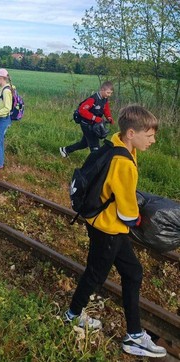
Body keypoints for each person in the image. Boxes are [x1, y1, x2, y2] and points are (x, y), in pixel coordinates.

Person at [64, 104, 167, 359]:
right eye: (149, 135)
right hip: (108, 228)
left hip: (102, 223)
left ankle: (133, 335)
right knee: (96, 274)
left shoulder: (115, 144)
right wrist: (142, 220)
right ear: (131, 133)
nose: (153, 140)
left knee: (132, 271)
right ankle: (72, 316)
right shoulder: (125, 163)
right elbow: (127, 212)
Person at [60, 81, 114, 157]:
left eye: (111, 93)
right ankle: (94, 165)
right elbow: (82, 110)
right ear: (102, 89)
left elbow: (106, 109)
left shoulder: (105, 99)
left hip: (94, 125)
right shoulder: (93, 99)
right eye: (108, 93)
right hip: (86, 124)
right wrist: (94, 118)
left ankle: (65, 150)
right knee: (95, 147)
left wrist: (109, 117)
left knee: (84, 144)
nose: (109, 95)